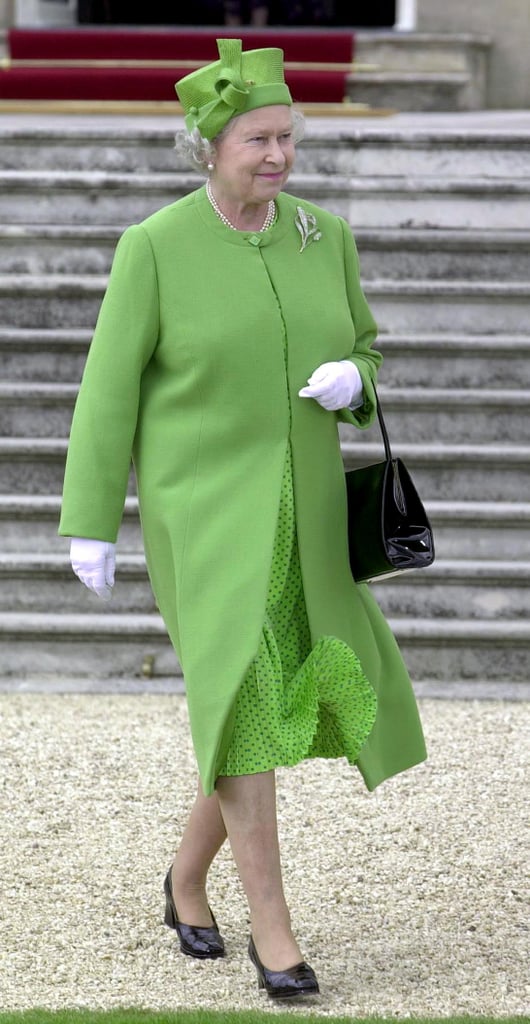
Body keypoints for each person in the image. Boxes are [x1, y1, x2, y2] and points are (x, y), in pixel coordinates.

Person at [59, 37, 426, 1000]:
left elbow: (370, 353)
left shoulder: (324, 237)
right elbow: (106, 391)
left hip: (304, 519)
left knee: (260, 706)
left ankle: (186, 880)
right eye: (259, 140)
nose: (278, 156)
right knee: (247, 696)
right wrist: (90, 520)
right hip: (206, 522)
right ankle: (275, 929)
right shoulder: (156, 246)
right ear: (211, 146)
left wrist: (356, 379)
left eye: (287, 139)